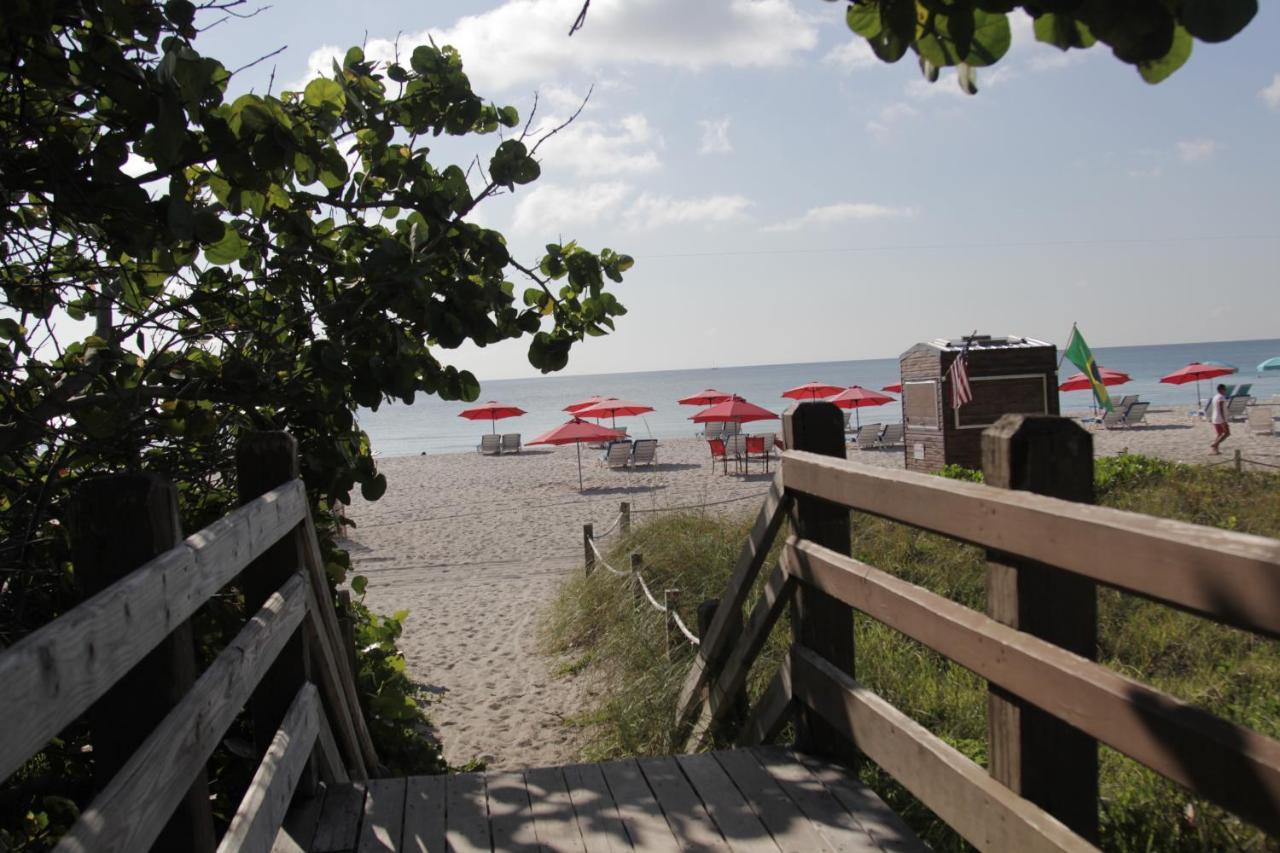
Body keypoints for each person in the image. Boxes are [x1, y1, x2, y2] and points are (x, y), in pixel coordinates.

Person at [1209, 383, 1230, 455]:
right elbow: (1221, 408)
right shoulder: (1221, 397)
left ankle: (1215, 450)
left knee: (1219, 434)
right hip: (1220, 418)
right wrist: (1224, 419)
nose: (1225, 391)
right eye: (1225, 389)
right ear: (1221, 390)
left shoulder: (1215, 397)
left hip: (1215, 418)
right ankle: (1215, 444)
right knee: (1227, 433)